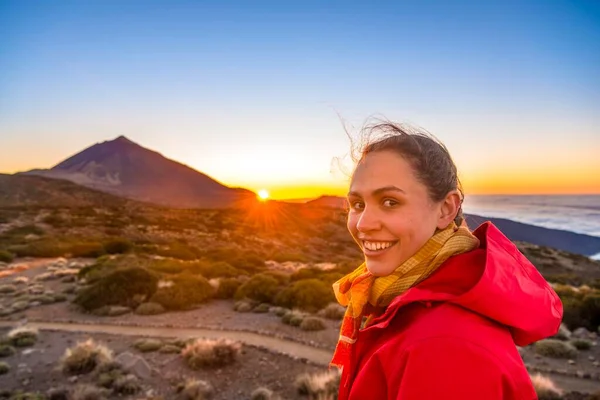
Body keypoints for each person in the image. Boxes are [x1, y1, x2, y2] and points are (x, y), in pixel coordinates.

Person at [330, 121, 563, 400]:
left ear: (446, 209)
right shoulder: (401, 302)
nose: (364, 224)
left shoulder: (442, 345)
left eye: (390, 202)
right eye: (357, 205)